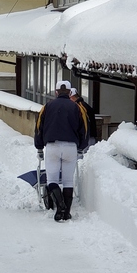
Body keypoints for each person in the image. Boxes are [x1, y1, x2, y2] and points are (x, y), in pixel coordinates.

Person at [35, 80, 89, 222]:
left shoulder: (46, 107)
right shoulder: (78, 108)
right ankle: (66, 213)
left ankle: (60, 207)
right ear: (70, 92)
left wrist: (39, 147)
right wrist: (81, 147)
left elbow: (39, 128)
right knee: (68, 181)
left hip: (52, 147)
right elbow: (84, 129)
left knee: (52, 180)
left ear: (56, 92)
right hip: (71, 147)